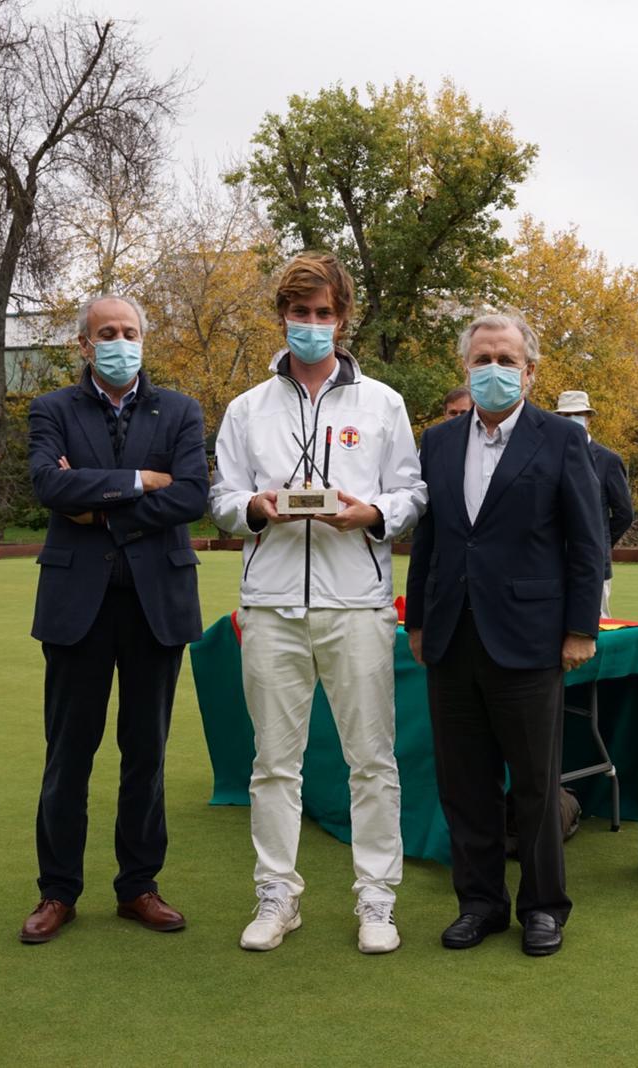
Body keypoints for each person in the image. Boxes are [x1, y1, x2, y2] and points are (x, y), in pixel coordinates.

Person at [210, 252, 427, 954]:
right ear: (283, 316)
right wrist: (253, 506)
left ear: (342, 317)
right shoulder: (247, 408)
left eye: (323, 315)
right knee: (274, 762)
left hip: (358, 603)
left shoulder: (383, 403)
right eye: (299, 314)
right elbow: (219, 500)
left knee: (372, 760)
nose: (311, 327)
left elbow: (413, 494)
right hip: (270, 604)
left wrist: (372, 514)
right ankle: (277, 895)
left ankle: (376, 901)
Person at [405, 313, 605, 958]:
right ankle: (481, 904)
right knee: (464, 783)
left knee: (536, 783)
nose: (493, 369)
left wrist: (580, 629)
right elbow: (430, 540)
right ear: (466, 366)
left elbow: (586, 542)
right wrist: (417, 622)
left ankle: (544, 907)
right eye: (482, 357)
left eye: (506, 358)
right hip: (451, 638)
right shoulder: (436, 442)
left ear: (530, 369)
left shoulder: (561, 441)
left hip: (530, 637)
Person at [20, 295, 209, 944]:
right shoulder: (51, 409)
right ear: (84, 345)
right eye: (107, 333)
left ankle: (138, 887)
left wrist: (98, 498)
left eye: (129, 332)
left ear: (143, 340)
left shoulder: (181, 410)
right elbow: (50, 486)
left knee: (146, 754)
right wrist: (140, 482)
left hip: (156, 606)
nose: (120, 341)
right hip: (78, 609)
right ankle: (57, 892)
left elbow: (190, 495)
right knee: (68, 755)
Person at [553, 390, 634, 617]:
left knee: (596, 628)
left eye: (578, 414)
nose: (573, 420)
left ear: (589, 418)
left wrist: (600, 541)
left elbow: (624, 513)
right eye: (566, 416)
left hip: (593, 565)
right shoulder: (548, 457)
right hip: (552, 563)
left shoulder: (608, 460)